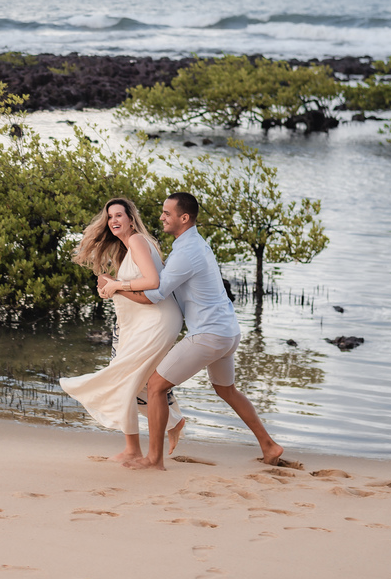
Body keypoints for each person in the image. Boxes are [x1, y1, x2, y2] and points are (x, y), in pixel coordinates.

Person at [101, 192, 284, 470]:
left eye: (167, 213)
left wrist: (117, 287)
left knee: (155, 386)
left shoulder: (186, 253)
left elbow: (155, 294)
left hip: (209, 335)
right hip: (228, 332)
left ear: (183, 218)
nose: (161, 217)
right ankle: (269, 446)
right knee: (227, 391)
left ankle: (154, 459)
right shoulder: (195, 244)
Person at [60, 198, 184, 464]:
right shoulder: (127, 248)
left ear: (131, 218)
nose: (114, 221)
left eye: (119, 215)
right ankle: (169, 425)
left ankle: (136, 448)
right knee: (141, 380)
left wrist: (116, 285)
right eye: (110, 217)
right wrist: (112, 286)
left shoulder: (138, 241)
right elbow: (133, 289)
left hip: (157, 321)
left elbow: (152, 282)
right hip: (146, 321)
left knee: (124, 377)